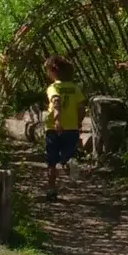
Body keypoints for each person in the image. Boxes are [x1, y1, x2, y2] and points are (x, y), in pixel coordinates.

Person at [42, 54, 85, 201]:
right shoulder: (75, 88)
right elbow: (81, 108)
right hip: (71, 127)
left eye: (48, 71)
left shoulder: (54, 87)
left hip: (54, 128)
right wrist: (79, 123)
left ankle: (51, 190)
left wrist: (57, 120)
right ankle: (70, 163)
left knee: (51, 161)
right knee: (67, 155)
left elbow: (56, 103)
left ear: (53, 71)